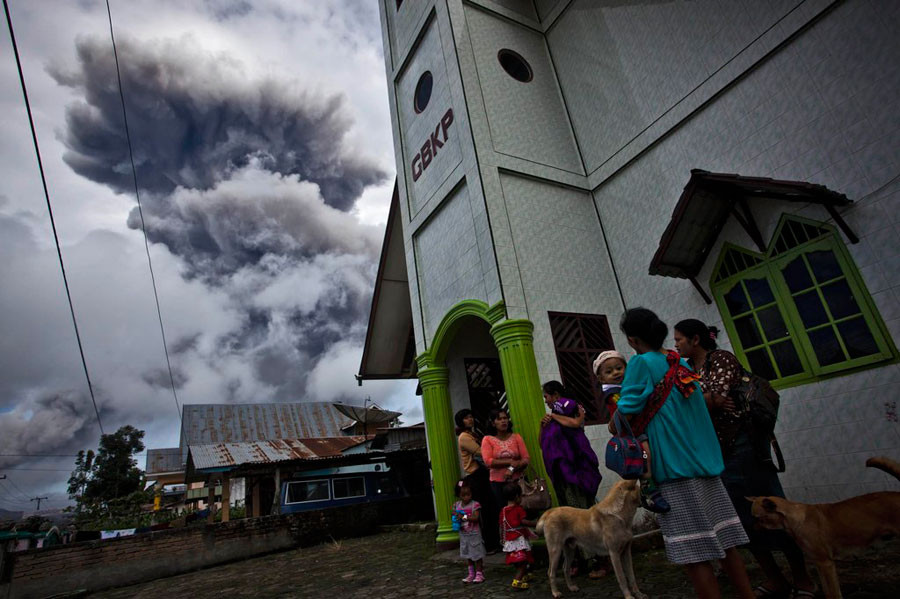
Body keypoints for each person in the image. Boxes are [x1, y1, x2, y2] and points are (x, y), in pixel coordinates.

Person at [612, 307, 754, 599]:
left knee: (694, 553)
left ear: (633, 339)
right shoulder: (679, 362)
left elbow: (624, 415)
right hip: (706, 466)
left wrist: (613, 420)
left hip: (674, 471)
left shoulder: (640, 363)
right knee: (726, 545)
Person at [674, 319, 816, 599]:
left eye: (679, 339)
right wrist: (708, 401)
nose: (676, 344)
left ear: (695, 339)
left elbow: (716, 396)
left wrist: (707, 400)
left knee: (772, 510)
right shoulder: (689, 370)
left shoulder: (721, 359)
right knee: (741, 521)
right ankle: (775, 579)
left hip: (745, 447)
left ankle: (804, 580)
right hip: (719, 453)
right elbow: (692, 404)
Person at [539, 380, 608, 579]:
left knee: (581, 516)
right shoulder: (552, 417)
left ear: (556, 395)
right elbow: (542, 443)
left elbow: (576, 423)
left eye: (547, 396)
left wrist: (554, 416)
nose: (546, 401)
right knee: (566, 519)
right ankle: (576, 560)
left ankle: (595, 560)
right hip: (560, 473)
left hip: (575, 471)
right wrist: (542, 425)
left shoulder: (570, 408)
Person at [594, 350, 669, 513]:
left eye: (619, 368)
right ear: (601, 378)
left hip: (637, 428)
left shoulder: (626, 386)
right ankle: (648, 489)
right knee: (645, 455)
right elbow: (627, 407)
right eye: (609, 371)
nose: (615, 373)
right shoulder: (612, 392)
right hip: (631, 433)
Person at [455, 408, 500, 552]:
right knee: (486, 509)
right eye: (467, 418)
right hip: (476, 475)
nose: (470, 419)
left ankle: (494, 541)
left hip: (481, 473)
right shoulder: (464, 437)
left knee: (491, 508)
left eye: (471, 417)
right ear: (461, 421)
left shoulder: (471, 434)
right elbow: (480, 451)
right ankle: (490, 544)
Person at [481, 407, 530, 512]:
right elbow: (488, 461)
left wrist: (512, 467)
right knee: (505, 511)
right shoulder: (487, 439)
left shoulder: (516, 437)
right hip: (498, 483)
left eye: (505, 418)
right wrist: (510, 461)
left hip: (518, 480)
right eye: (499, 419)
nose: (503, 421)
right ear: (493, 423)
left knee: (523, 510)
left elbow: (525, 459)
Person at [500, 482, 537, 590]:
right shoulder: (518, 509)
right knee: (523, 562)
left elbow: (502, 526)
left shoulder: (502, 511)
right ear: (517, 497)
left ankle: (525, 575)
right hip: (519, 539)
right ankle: (517, 580)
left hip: (509, 540)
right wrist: (536, 523)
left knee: (517, 560)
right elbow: (523, 521)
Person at [453, 479, 486, 584]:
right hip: (464, 535)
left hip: (474, 534)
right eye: (463, 495)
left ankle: (480, 573)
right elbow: (455, 516)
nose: (466, 497)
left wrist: (464, 516)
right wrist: (456, 518)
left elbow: (475, 518)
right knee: (468, 554)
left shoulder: (475, 505)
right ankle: (471, 573)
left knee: (477, 554)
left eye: (468, 494)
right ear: (459, 495)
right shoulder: (457, 505)